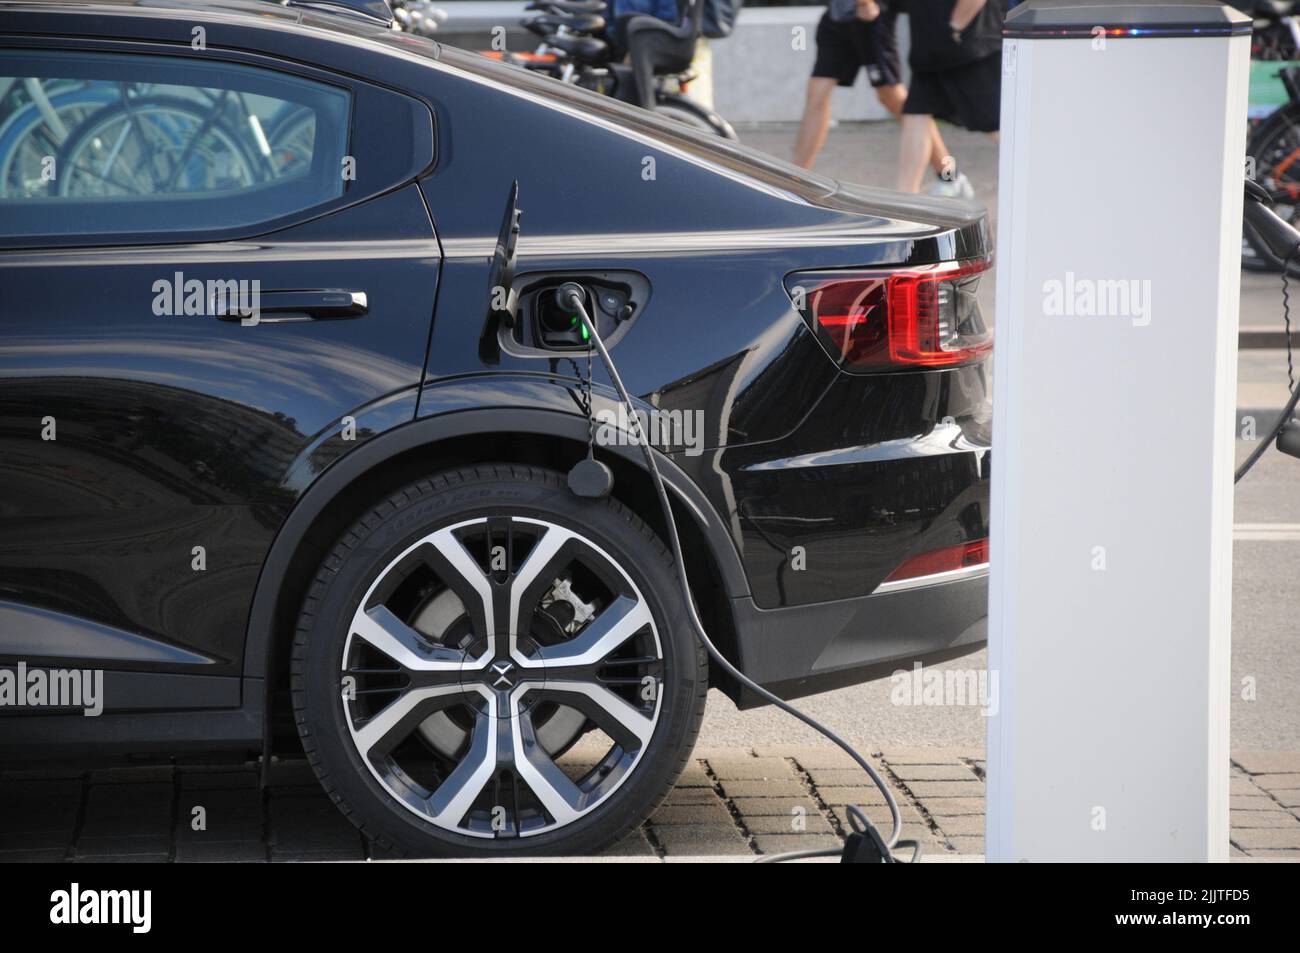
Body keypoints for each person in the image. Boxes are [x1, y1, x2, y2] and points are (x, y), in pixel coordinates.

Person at [794, 0, 960, 195]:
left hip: (872, 16)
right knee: (817, 92)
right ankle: (796, 180)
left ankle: (948, 174)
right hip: (837, 16)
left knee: (892, 97)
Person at [895, 0, 1003, 195]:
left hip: (969, 45)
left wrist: (955, 26)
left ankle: (1044, 178)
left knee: (995, 125)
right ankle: (905, 199)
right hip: (930, 47)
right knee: (916, 114)